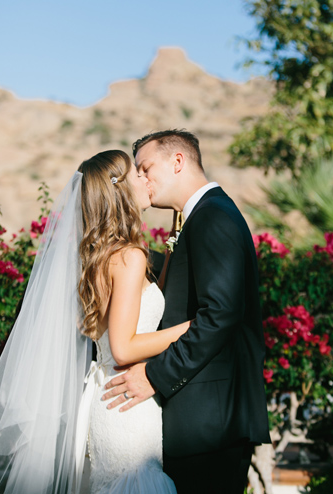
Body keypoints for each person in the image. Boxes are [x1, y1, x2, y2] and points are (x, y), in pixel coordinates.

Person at [0, 150, 189, 493]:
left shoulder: (102, 255)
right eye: (135, 173)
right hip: (126, 404)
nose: (144, 177)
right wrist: (189, 330)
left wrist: (170, 249)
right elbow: (123, 347)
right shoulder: (129, 256)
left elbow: (137, 313)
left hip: (108, 400)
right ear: (120, 190)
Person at [101, 130, 271, 494]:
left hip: (210, 421)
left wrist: (155, 376)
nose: (141, 180)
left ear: (177, 161)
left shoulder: (213, 217)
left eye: (146, 169)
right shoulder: (198, 218)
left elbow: (220, 315)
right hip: (199, 421)